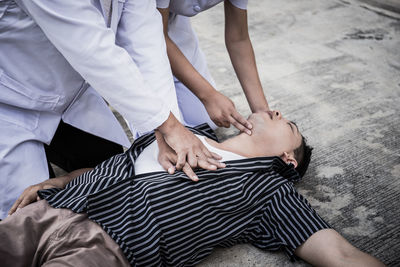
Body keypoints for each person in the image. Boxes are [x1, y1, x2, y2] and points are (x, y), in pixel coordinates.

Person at [2, 111, 384, 266]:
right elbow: (120, 164)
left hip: (111, 247)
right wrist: (61, 180)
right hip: (53, 210)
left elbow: (341, 255)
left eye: (291, 125)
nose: (279, 112)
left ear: (288, 158)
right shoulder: (187, 130)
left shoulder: (270, 191)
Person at [0, 0, 221, 219]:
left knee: (106, 173)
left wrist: (162, 136)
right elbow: (90, 46)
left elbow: (144, 43)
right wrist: (170, 127)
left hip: (68, 95)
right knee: (28, 218)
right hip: (10, 103)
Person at [155, 0, 269, 133]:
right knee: (162, 136)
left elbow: (239, 39)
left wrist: (262, 112)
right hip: (139, 29)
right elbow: (156, 37)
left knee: (204, 123)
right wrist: (208, 95)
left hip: (172, 20)